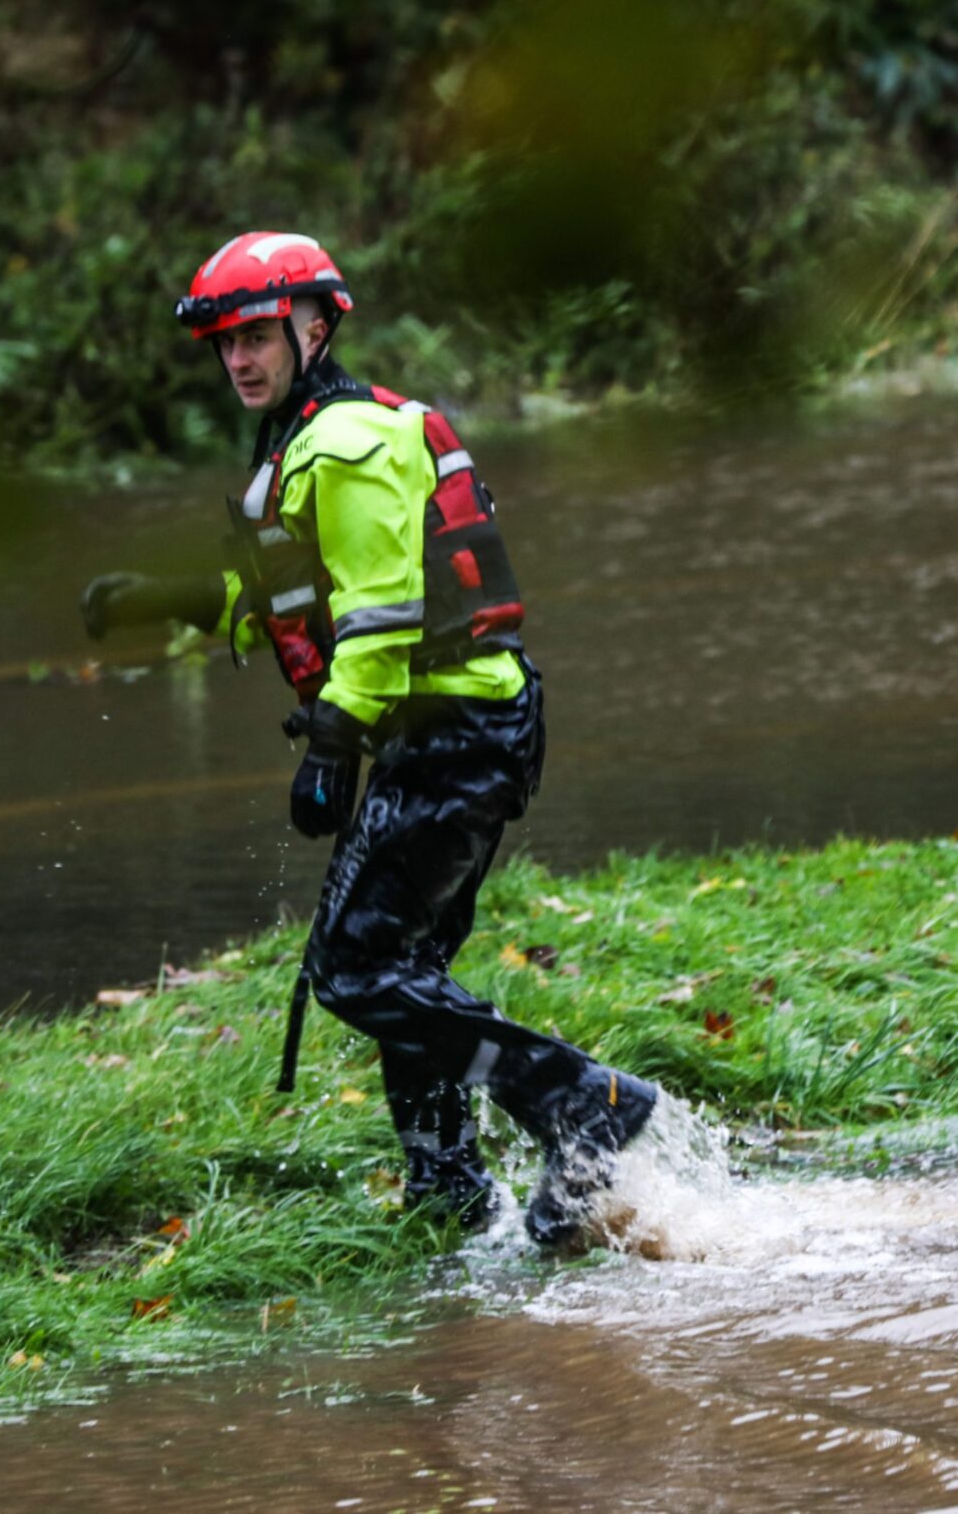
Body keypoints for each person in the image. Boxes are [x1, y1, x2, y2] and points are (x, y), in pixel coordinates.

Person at [81, 231, 656, 1246]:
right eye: (224, 345)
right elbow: (295, 597)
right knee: (401, 965)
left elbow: (382, 620)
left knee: (356, 970)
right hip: (455, 727)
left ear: (315, 324)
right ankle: (447, 1186)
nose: (240, 360)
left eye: (257, 335)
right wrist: (167, 601)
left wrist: (329, 749)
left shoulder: (345, 446)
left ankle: (580, 1101)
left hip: (451, 731)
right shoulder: (316, 437)